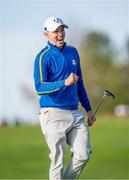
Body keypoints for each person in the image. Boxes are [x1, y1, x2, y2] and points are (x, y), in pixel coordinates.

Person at [33, 16, 95, 180]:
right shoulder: (43, 57)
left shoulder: (72, 52)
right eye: (56, 31)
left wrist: (88, 109)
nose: (60, 34)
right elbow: (39, 87)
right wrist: (64, 82)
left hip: (74, 113)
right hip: (52, 113)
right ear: (46, 34)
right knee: (57, 160)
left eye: (62, 30)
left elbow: (80, 83)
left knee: (83, 154)